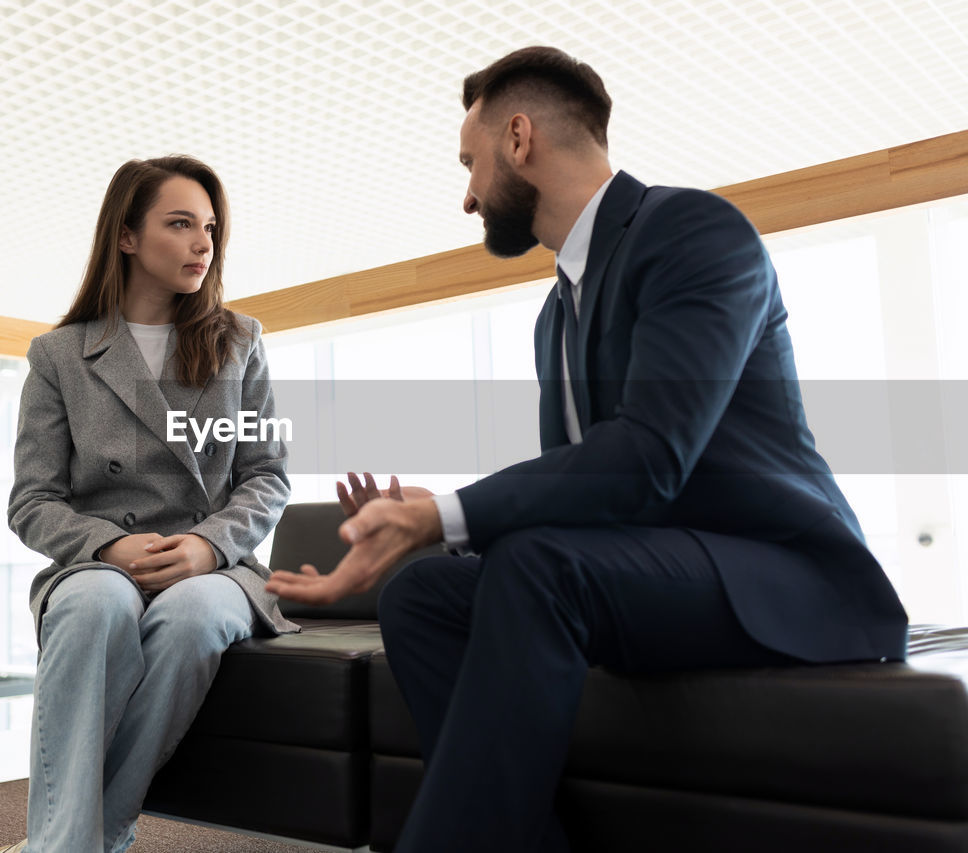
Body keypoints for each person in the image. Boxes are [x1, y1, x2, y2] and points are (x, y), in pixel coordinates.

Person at [266, 46, 907, 851]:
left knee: (537, 566)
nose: (466, 196)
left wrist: (446, 513)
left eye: (470, 162)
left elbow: (647, 457)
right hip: (655, 570)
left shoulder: (692, 231)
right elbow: (584, 495)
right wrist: (431, 526)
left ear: (520, 139)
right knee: (422, 593)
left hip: (777, 571)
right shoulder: (555, 316)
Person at [0, 155, 296, 853]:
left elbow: (268, 475)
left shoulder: (239, 341)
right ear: (127, 236)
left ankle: (76, 839)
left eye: (211, 228)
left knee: (194, 612)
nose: (204, 243)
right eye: (181, 224)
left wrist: (206, 546)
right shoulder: (58, 356)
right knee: (97, 600)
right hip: (102, 563)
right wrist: (107, 546)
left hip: (216, 568)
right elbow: (32, 500)